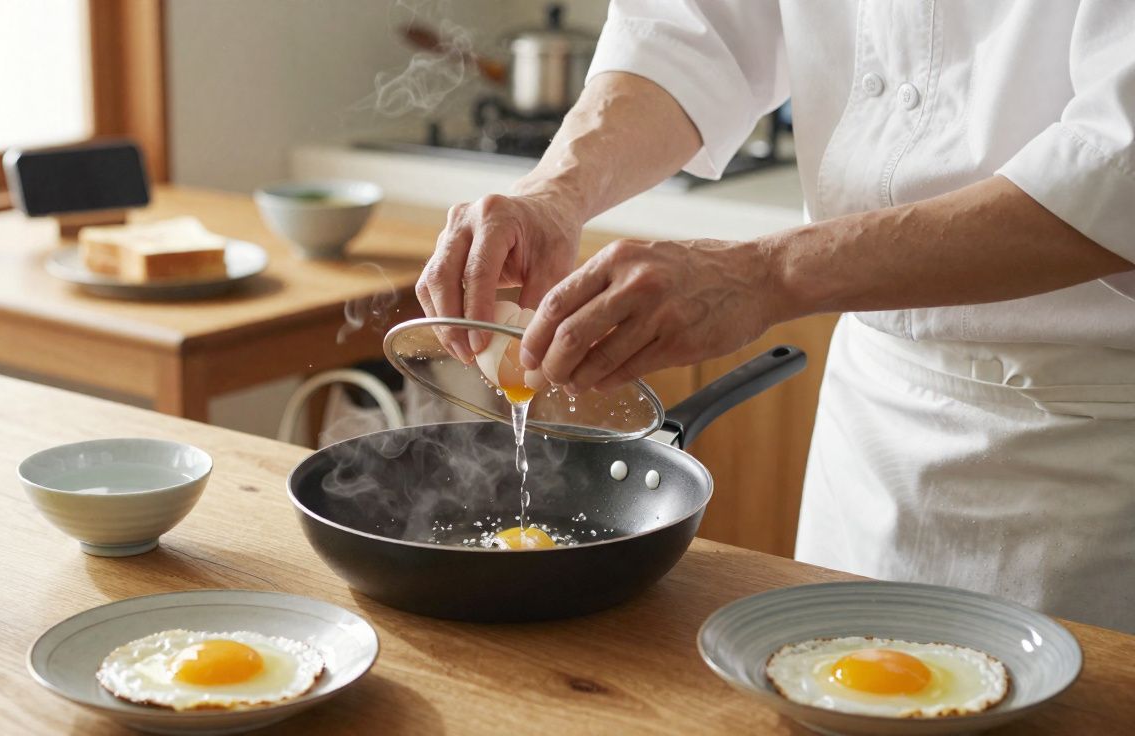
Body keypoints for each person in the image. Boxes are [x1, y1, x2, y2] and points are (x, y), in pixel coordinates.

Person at [415, 1, 1135, 632]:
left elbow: (1118, 168)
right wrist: (555, 191)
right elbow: (691, 30)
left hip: (1090, 451)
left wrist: (767, 273)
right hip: (871, 434)